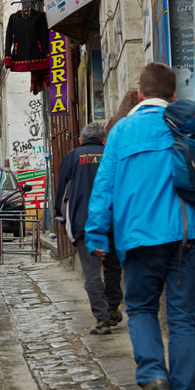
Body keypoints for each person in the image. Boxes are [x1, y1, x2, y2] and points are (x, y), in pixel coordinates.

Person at [86, 63, 195, 390]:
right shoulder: (187, 124)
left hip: (140, 239)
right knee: (183, 319)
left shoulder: (121, 132)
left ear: (139, 94)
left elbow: (104, 186)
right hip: (189, 236)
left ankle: (153, 377)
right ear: (173, 96)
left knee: (141, 309)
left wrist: (95, 233)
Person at [54, 122, 122, 335]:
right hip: (113, 221)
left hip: (84, 223)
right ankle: (112, 308)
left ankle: (102, 319)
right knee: (112, 267)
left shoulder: (73, 156)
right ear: (104, 139)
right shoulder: (112, 154)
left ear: (81, 140)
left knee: (92, 273)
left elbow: (62, 191)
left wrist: (62, 219)